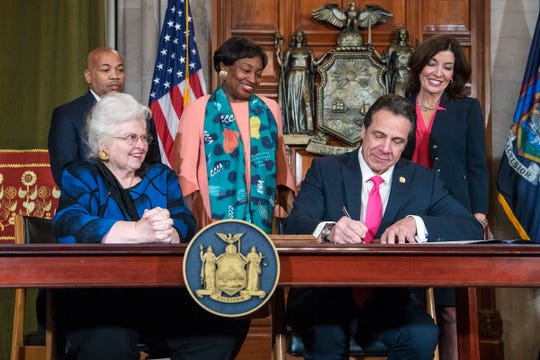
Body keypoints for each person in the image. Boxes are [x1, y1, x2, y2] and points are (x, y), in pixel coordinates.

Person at [284, 94, 484, 360]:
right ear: (363, 131)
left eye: (397, 141)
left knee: (422, 335)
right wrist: (330, 230)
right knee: (326, 334)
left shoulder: (423, 181)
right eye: (379, 135)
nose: (386, 148)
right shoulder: (326, 170)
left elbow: (471, 228)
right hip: (325, 295)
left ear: (405, 145)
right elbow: (295, 226)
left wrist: (417, 223)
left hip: (389, 299)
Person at [52, 93, 248, 360]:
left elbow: (186, 223)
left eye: (144, 137)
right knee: (111, 344)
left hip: (158, 297)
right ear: (102, 142)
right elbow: (68, 225)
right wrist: (137, 232)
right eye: (130, 138)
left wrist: (172, 233)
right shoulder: (81, 175)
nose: (141, 145)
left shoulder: (161, 176)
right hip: (98, 299)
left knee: (223, 328)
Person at [403, 34, 489, 360]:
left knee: (450, 308)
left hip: (453, 214)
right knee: (407, 305)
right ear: (420, 65)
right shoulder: (399, 105)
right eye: (433, 63)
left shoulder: (466, 108)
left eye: (448, 67)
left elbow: (477, 165)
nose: (438, 72)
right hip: (406, 216)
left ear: (455, 74)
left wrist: (479, 215)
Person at [174, 37, 295, 234]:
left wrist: (292, 219)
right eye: (245, 71)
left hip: (261, 219)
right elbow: (185, 173)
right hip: (210, 220)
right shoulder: (198, 109)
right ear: (224, 66)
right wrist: (191, 222)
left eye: (258, 74)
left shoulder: (270, 109)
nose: (253, 80)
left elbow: (281, 168)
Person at [48, 46, 160, 187]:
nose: (115, 76)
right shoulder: (67, 115)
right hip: (91, 203)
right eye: (106, 70)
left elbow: (153, 166)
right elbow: (66, 174)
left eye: (120, 70)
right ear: (88, 76)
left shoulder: (141, 114)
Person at [276, 29, 315, 134]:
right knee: (293, 102)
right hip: (292, 77)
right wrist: (277, 54)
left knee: (305, 101)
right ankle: (293, 127)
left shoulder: (308, 50)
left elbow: (314, 65)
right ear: (294, 37)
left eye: (301, 35)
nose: (299, 37)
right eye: (297, 36)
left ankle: (305, 128)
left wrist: (327, 56)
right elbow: (283, 66)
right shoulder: (289, 51)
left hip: (304, 77)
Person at [386, 27, 414, 96]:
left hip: (408, 74)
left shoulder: (411, 48)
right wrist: (373, 51)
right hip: (397, 74)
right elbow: (386, 62)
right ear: (398, 35)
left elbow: (415, 62)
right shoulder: (393, 48)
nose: (403, 36)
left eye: (405, 34)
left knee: (409, 95)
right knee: (397, 95)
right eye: (401, 34)